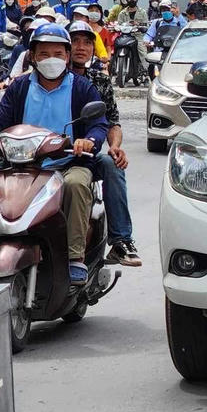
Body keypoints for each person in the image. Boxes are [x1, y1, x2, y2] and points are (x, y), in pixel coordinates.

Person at [0, 23, 110, 283]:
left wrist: (88, 140)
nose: (51, 60)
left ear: (67, 56)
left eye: (58, 54)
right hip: (21, 162)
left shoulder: (82, 87)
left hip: (67, 162)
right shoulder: (19, 87)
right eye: (44, 54)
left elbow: (98, 124)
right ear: (32, 56)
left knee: (76, 184)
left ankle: (75, 257)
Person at [67, 21, 140, 267]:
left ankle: (121, 240)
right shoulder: (41, 79)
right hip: (43, 154)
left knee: (112, 163)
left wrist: (114, 146)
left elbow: (112, 122)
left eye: (87, 42)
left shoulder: (99, 81)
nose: (81, 47)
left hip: (86, 155)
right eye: (75, 41)